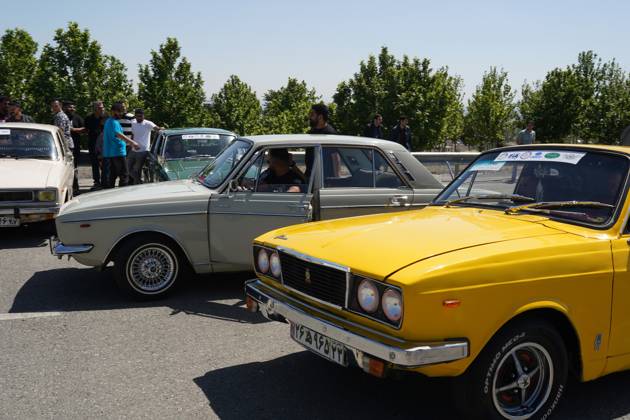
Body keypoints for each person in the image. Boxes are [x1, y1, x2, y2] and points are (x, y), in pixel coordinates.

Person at [102, 102, 140, 188]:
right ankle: (122, 194)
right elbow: (118, 134)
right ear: (113, 111)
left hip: (113, 152)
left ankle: (110, 193)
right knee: (124, 175)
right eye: (119, 111)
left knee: (113, 175)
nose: (121, 113)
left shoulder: (111, 121)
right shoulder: (112, 122)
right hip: (117, 152)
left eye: (122, 111)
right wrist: (132, 142)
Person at [128, 109, 160, 184]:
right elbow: (131, 134)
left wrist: (161, 129)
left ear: (143, 116)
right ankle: (139, 182)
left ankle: (137, 184)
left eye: (141, 116)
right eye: (138, 116)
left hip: (143, 150)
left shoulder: (148, 123)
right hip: (133, 149)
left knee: (137, 169)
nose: (139, 118)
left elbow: (157, 129)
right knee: (127, 168)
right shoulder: (132, 123)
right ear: (135, 116)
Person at [84, 101, 107, 189]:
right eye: (99, 108)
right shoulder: (89, 118)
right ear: (94, 109)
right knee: (95, 163)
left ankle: (105, 181)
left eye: (102, 107)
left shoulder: (107, 117)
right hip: (93, 143)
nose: (101, 109)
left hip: (104, 144)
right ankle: (96, 182)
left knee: (105, 163)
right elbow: (87, 130)